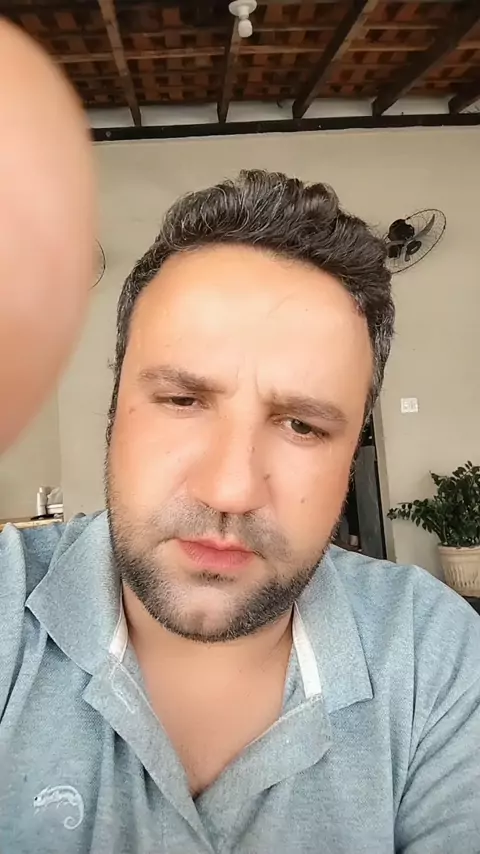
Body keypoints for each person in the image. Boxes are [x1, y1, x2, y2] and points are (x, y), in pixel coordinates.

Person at [1, 170, 479, 854]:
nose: (229, 490)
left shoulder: (436, 657)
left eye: (303, 426)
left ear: (351, 454)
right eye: (183, 401)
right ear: (114, 412)